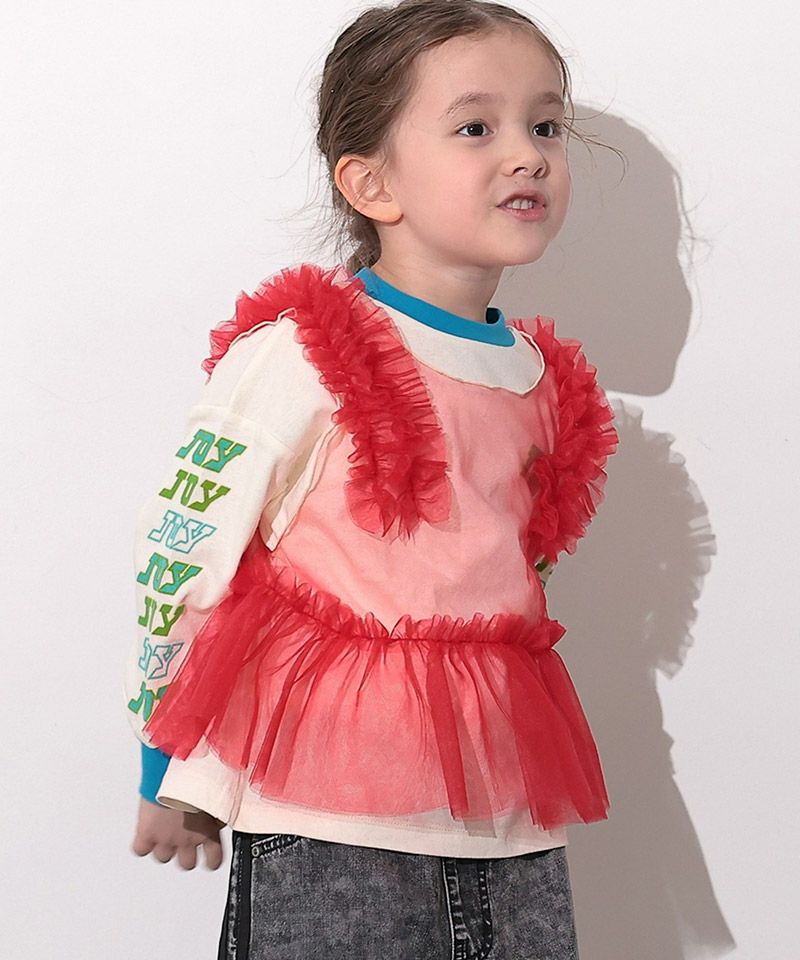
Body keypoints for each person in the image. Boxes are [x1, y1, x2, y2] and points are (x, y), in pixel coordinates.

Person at [125, 0, 621, 956]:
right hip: (328, 821)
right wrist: (165, 764)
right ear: (371, 183)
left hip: (506, 819)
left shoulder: (542, 380)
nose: (526, 155)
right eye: (475, 128)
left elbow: (514, 577)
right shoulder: (303, 352)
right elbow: (184, 558)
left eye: (545, 126)